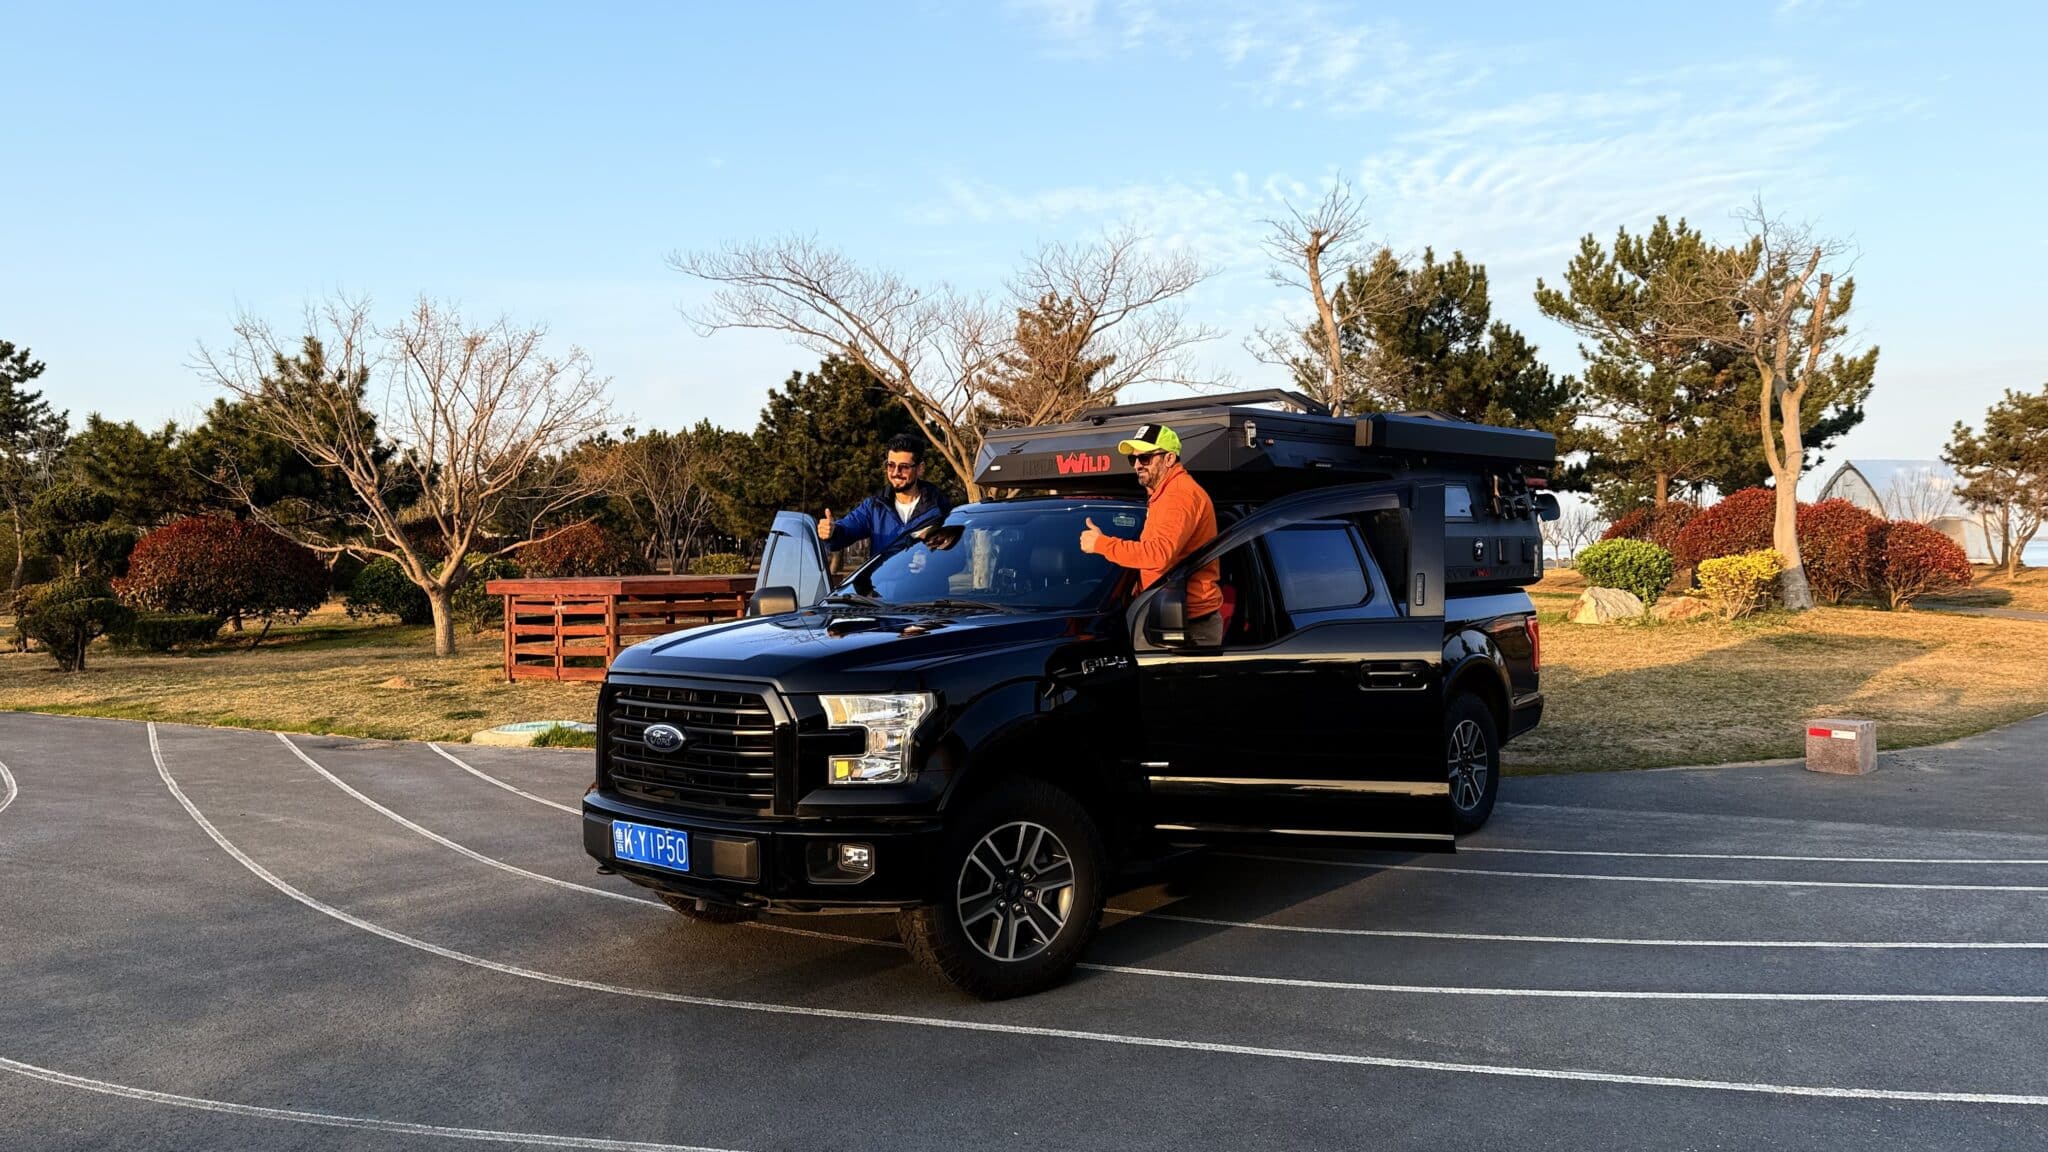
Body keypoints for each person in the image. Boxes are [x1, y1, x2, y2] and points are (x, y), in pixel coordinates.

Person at [1077, 423, 1224, 645]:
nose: (1137, 465)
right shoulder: (1164, 494)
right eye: (1133, 459)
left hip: (1185, 624)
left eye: (1145, 458)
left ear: (1169, 459)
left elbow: (1158, 555)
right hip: (1167, 614)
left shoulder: (1179, 495)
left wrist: (1101, 544)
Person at [818, 433, 955, 556]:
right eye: (891, 465)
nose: (895, 472)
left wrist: (928, 562)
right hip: (883, 584)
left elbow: (956, 556)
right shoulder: (874, 507)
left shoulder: (940, 508)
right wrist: (832, 532)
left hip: (928, 584)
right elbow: (845, 531)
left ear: (920, 469)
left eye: (904, 467)